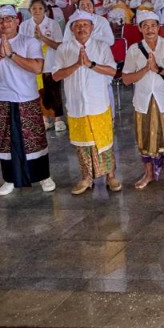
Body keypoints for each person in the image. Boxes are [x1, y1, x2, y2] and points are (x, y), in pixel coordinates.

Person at [0, 5, 55, 196]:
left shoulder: (29, 42)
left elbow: (37, 68)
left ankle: (43, 176)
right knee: (4, 141)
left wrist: (11, 54)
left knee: (34, 139)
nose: (4, 23)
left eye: (9, 19)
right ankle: (9, 178)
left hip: (27, 98)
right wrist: (0, 56)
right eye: (0, 20)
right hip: (0, 99)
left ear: (17, 21)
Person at [51, 11, 121, 195]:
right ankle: (86, 178)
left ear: (92, 27)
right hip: (76, 105)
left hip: (98, 103)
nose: (82, 28)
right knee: (82, 143)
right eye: (78, 25)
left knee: (104, 141)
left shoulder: (101, 46)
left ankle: (111, 176)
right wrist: (76, 65)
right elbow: (56, 75)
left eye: (85, 25)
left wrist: (90, 64)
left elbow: (112, 71)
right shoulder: (63, 49)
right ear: (72, 29)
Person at [122, 10, 164, 189]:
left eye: (153, 25)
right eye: (145, 26)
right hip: (143, 101)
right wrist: (145, 69)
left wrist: (159, 69)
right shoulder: (134, 50)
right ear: (140, 28)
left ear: (159, 28)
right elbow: (126, 79)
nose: (150, 29)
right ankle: (148, 173)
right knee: (144, 137)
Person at [20, 0, 65, 132]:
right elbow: (22, 46)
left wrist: (42, 38)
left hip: (51, 63)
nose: (37, 11)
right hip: (33, 64)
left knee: (54, 91)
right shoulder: (24, 26)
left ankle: (58, 118)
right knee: (40, 92)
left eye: (40, 8)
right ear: (30, 11)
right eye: (34, 9)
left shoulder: (53, 24)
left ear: (45, 10)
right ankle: (45, 118)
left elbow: (59, 46)